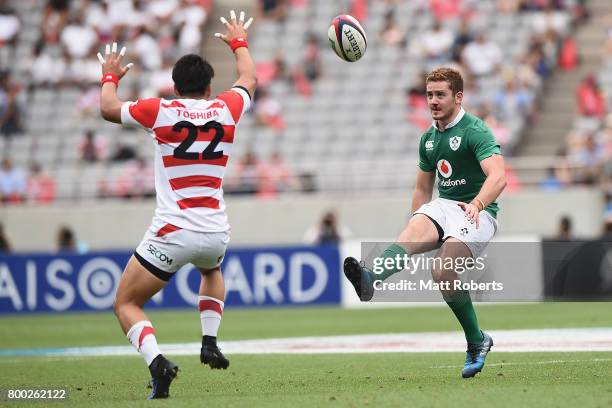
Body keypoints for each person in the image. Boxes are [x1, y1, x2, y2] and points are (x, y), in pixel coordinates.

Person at [98, 10, 257, 400]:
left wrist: (110, 76)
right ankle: (209, 340)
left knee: (126, 302)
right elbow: (249, 79)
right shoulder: (227, 108)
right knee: (211, 268)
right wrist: (238, 41)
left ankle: (158, 364)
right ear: (208, 87)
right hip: (216, 230)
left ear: (174, 86)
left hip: (173, 229)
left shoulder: (160, 110)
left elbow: (107, 107)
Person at [343, 68, 506, 378]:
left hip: (478, 211)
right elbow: (422, 189)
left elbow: (498, 176)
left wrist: (477, 204)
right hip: (445, 206)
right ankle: (369, 281)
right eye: (429, 94)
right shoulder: (429, 139)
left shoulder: (476, 130)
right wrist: (418, 221)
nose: (433, 100)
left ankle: (477, 341)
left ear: (458, 97)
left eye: (440, 94)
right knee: (410, 233)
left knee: (442, 270)